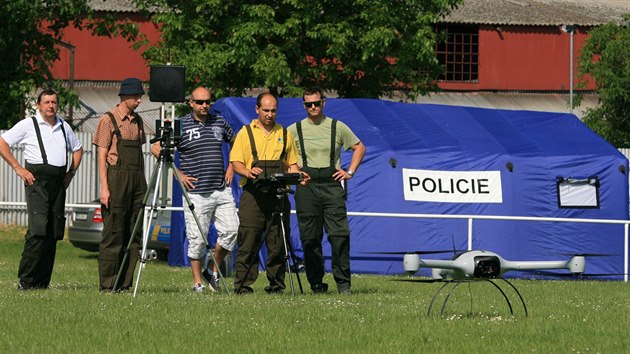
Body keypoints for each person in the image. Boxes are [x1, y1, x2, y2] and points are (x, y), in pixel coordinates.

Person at [150, 86, 239, 293]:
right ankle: (197, 283)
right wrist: (178, 174)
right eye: (200, 102)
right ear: (191, 103)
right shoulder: (181, 124)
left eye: (207, 101)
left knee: (232, 231)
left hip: (220, 189)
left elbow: (236, 141)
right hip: (196, 192)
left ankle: (212, 270)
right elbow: (155, 147)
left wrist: (232, 165)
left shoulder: (219, 121)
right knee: (196, 240)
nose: (204, 105)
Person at [0, 89, 83, 290]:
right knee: (38, 230)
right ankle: (26, 281)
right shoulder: (28, 124)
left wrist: (70, 173)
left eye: (54, 102)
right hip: (37, 181)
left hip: (58, 183)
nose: (50, 106)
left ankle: (42, 282)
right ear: (39, 104)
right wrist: (19, 169)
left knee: (53, 232)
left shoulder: (64, 126)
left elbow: (78, 149)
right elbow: (3, 143)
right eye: (46, 102)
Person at [287, 86, 366, 294]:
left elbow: (360, 147)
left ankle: (343, 283)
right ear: (303, 105)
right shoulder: (294, 130)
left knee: (339, 235)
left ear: (324, 102)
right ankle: (316, 282)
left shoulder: (337, 127)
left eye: (316, 103)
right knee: (310, 237)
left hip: (332, 185)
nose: (313, 107)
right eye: (308, 104)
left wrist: (349, 171)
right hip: (306, 185)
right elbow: (284, 155)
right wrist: (295, 171)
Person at [230, 92, 308, 294]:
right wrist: (248, 171)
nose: (269, 114)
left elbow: (291, 163)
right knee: (248, 240)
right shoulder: (245, 133)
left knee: (278, 241)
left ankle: (276, 286)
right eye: (266, 110)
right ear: (257, 109)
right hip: (253, 194)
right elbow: (235, 162)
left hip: (278, 193)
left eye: (273, 110)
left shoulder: (285, 133)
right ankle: (243, 286)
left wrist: (298, 176)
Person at [93, 78, 147, 292]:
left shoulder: (138, 121)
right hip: (116, 180)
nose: (139, 100)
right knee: (114, 233)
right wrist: (104, 188)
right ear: (124, 96)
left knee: (134, 233)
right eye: (136, 96)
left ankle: (125, 284)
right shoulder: (108, 120)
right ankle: (108, 284)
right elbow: (101, 155)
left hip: (137, 180)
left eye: (140, 96)